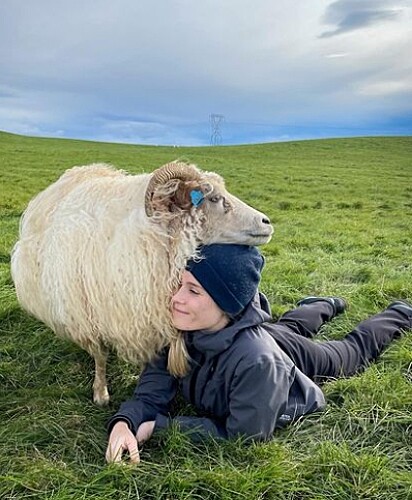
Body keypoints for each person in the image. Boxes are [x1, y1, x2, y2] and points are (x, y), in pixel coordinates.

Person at [105, 244, 412, 463]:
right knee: (287, 327)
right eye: (179, 285)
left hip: (287, 358)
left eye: (193, 291)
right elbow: (150, 394)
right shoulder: (176, 332)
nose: (176, 299)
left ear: (227, 304)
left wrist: (156, 428)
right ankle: (323, 304)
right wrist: (125, 424)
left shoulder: (260, 363)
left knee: (351, 354)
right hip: (260, 335)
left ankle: (399, 313)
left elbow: (245, 435)